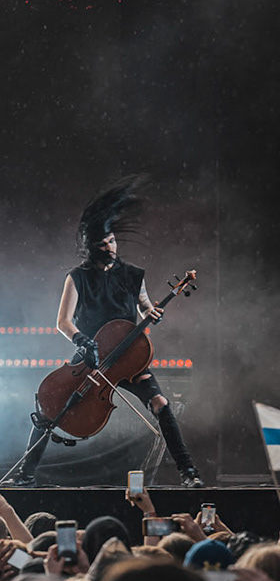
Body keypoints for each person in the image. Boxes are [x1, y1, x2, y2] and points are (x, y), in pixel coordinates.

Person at [15, 178, 203, 487]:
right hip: (91, 353)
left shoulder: (132, 275)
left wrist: (152, 313)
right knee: (54, 405)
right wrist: (82, 341)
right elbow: (63, 321)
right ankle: (25, 475)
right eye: (103, 245)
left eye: (113, 241)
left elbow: (144, 307)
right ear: (92, 247)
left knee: (161, 405)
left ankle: (188, 471)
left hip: (129, 359)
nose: (110, 248)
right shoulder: (78, 277)